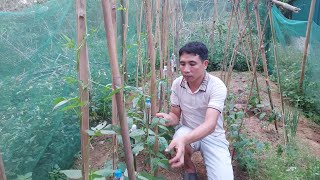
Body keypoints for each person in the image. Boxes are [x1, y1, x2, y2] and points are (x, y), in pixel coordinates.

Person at [156, 42, 233, 180]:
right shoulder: (177, 84)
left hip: (213, 136)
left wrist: (183, 139)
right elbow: (175, 115)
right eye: (182, 64)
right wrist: (167, 119)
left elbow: (210, 125)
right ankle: (190, 168)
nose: (186, 69)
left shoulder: (216, 86)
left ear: (205, 64)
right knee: (179, 139)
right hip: (188, 129)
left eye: (192, 64)